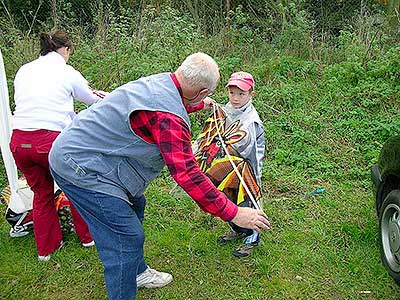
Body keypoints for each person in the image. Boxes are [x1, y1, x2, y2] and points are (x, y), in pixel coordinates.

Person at [48, 52, 270, 300]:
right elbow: (187, 174)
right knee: (126, 236)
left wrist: (197, 105)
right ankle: (124, 284)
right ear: (201, 91)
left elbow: (165, 104)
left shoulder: (163, 81)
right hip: (79, 165)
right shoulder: (169, 119)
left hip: (89, 153)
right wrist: (235, 212)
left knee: (136, 205)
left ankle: (137, 272)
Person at [9, 30, 106, 261]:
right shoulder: (66, 71)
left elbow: (26, 103)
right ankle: (87, 238)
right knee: (76, 187)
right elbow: (91, 99)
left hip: (20, 141)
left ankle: (47, 250)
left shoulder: (24, 70)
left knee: (41, 193)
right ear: (66, 49)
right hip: (49, 141)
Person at [201, 71, 265, 257]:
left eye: (241, 94)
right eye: (232, 93)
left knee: (247, 200)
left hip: (246, 170)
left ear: (251, 95)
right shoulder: (230, 108)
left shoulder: (251, 121)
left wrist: (223, 142)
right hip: (228, 167)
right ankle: (238, 229)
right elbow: (221, 122)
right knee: (228, 197)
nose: (235, 98)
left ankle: (253, 237)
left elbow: (242, 147)